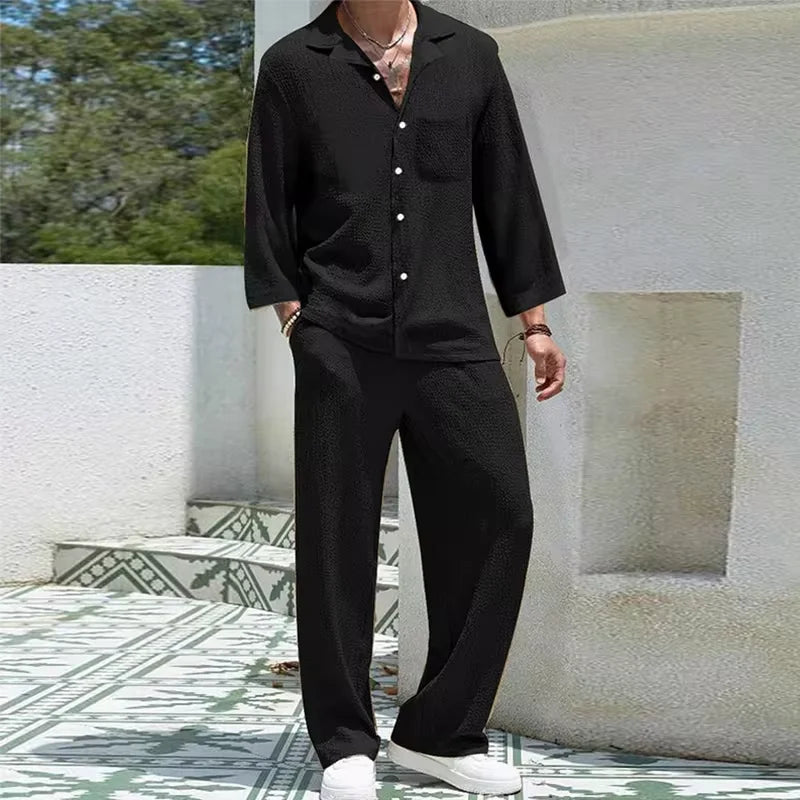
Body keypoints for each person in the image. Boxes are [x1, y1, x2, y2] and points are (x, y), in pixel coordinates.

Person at [244, 0, 567, 797]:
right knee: (336, 538)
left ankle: (439, 734)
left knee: (502, 514)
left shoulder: (471, 55)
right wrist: (295, 320)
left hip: (452, 331)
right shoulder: (294, 65)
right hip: (340, 335)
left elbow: (507, 190)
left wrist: (533, 323)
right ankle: (345, 742)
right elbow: (269, 197)